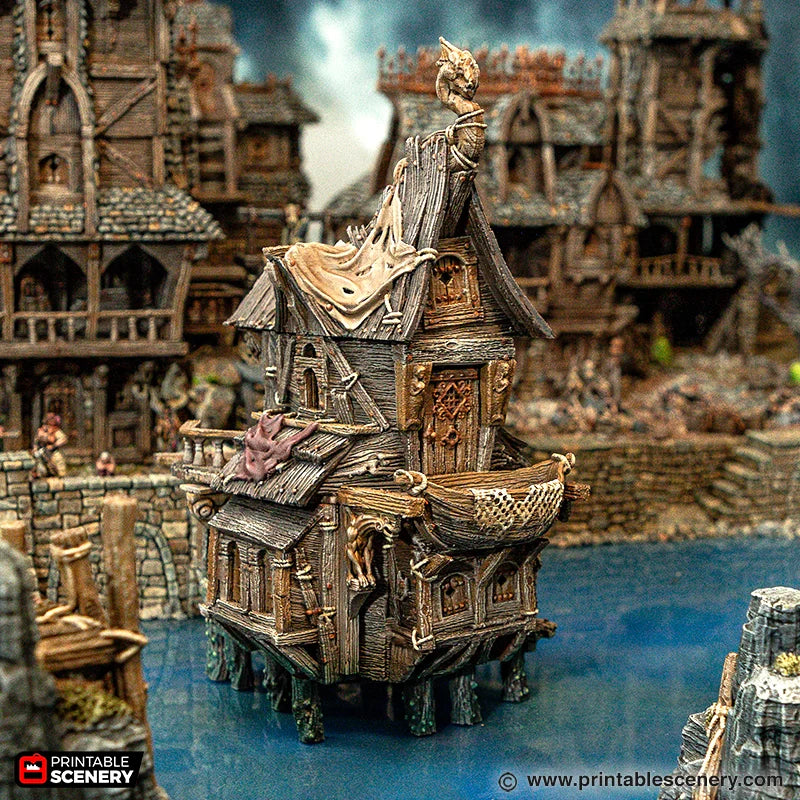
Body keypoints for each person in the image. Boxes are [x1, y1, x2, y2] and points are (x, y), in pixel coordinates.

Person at [32, 413, 67, 477]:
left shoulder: (56, 430)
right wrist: (35, 448)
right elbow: (36, 441)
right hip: (42, 452)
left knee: (59, 464)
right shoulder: (41, 430)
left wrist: (54, 446)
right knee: (40, 467)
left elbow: (63, 439)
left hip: (53, 452)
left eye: (52, 419)